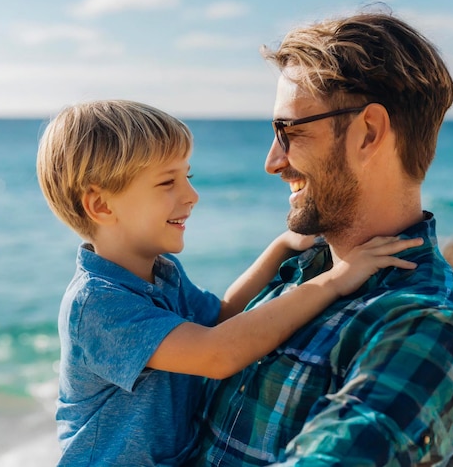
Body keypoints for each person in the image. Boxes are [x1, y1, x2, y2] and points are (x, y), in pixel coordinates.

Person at [35, 99, 421, 466]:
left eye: (188, 176)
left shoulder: (162, 272)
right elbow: (217, 354)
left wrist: (281, 247)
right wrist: (335, 281)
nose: (192, 195)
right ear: (102, 206)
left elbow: (220, 318)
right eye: (167, 183)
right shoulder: (97, 305)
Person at [190, 10, 453, 467]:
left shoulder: (432, 325)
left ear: (368, 133)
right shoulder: (296, 274)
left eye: (289, 130)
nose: (272, 162)